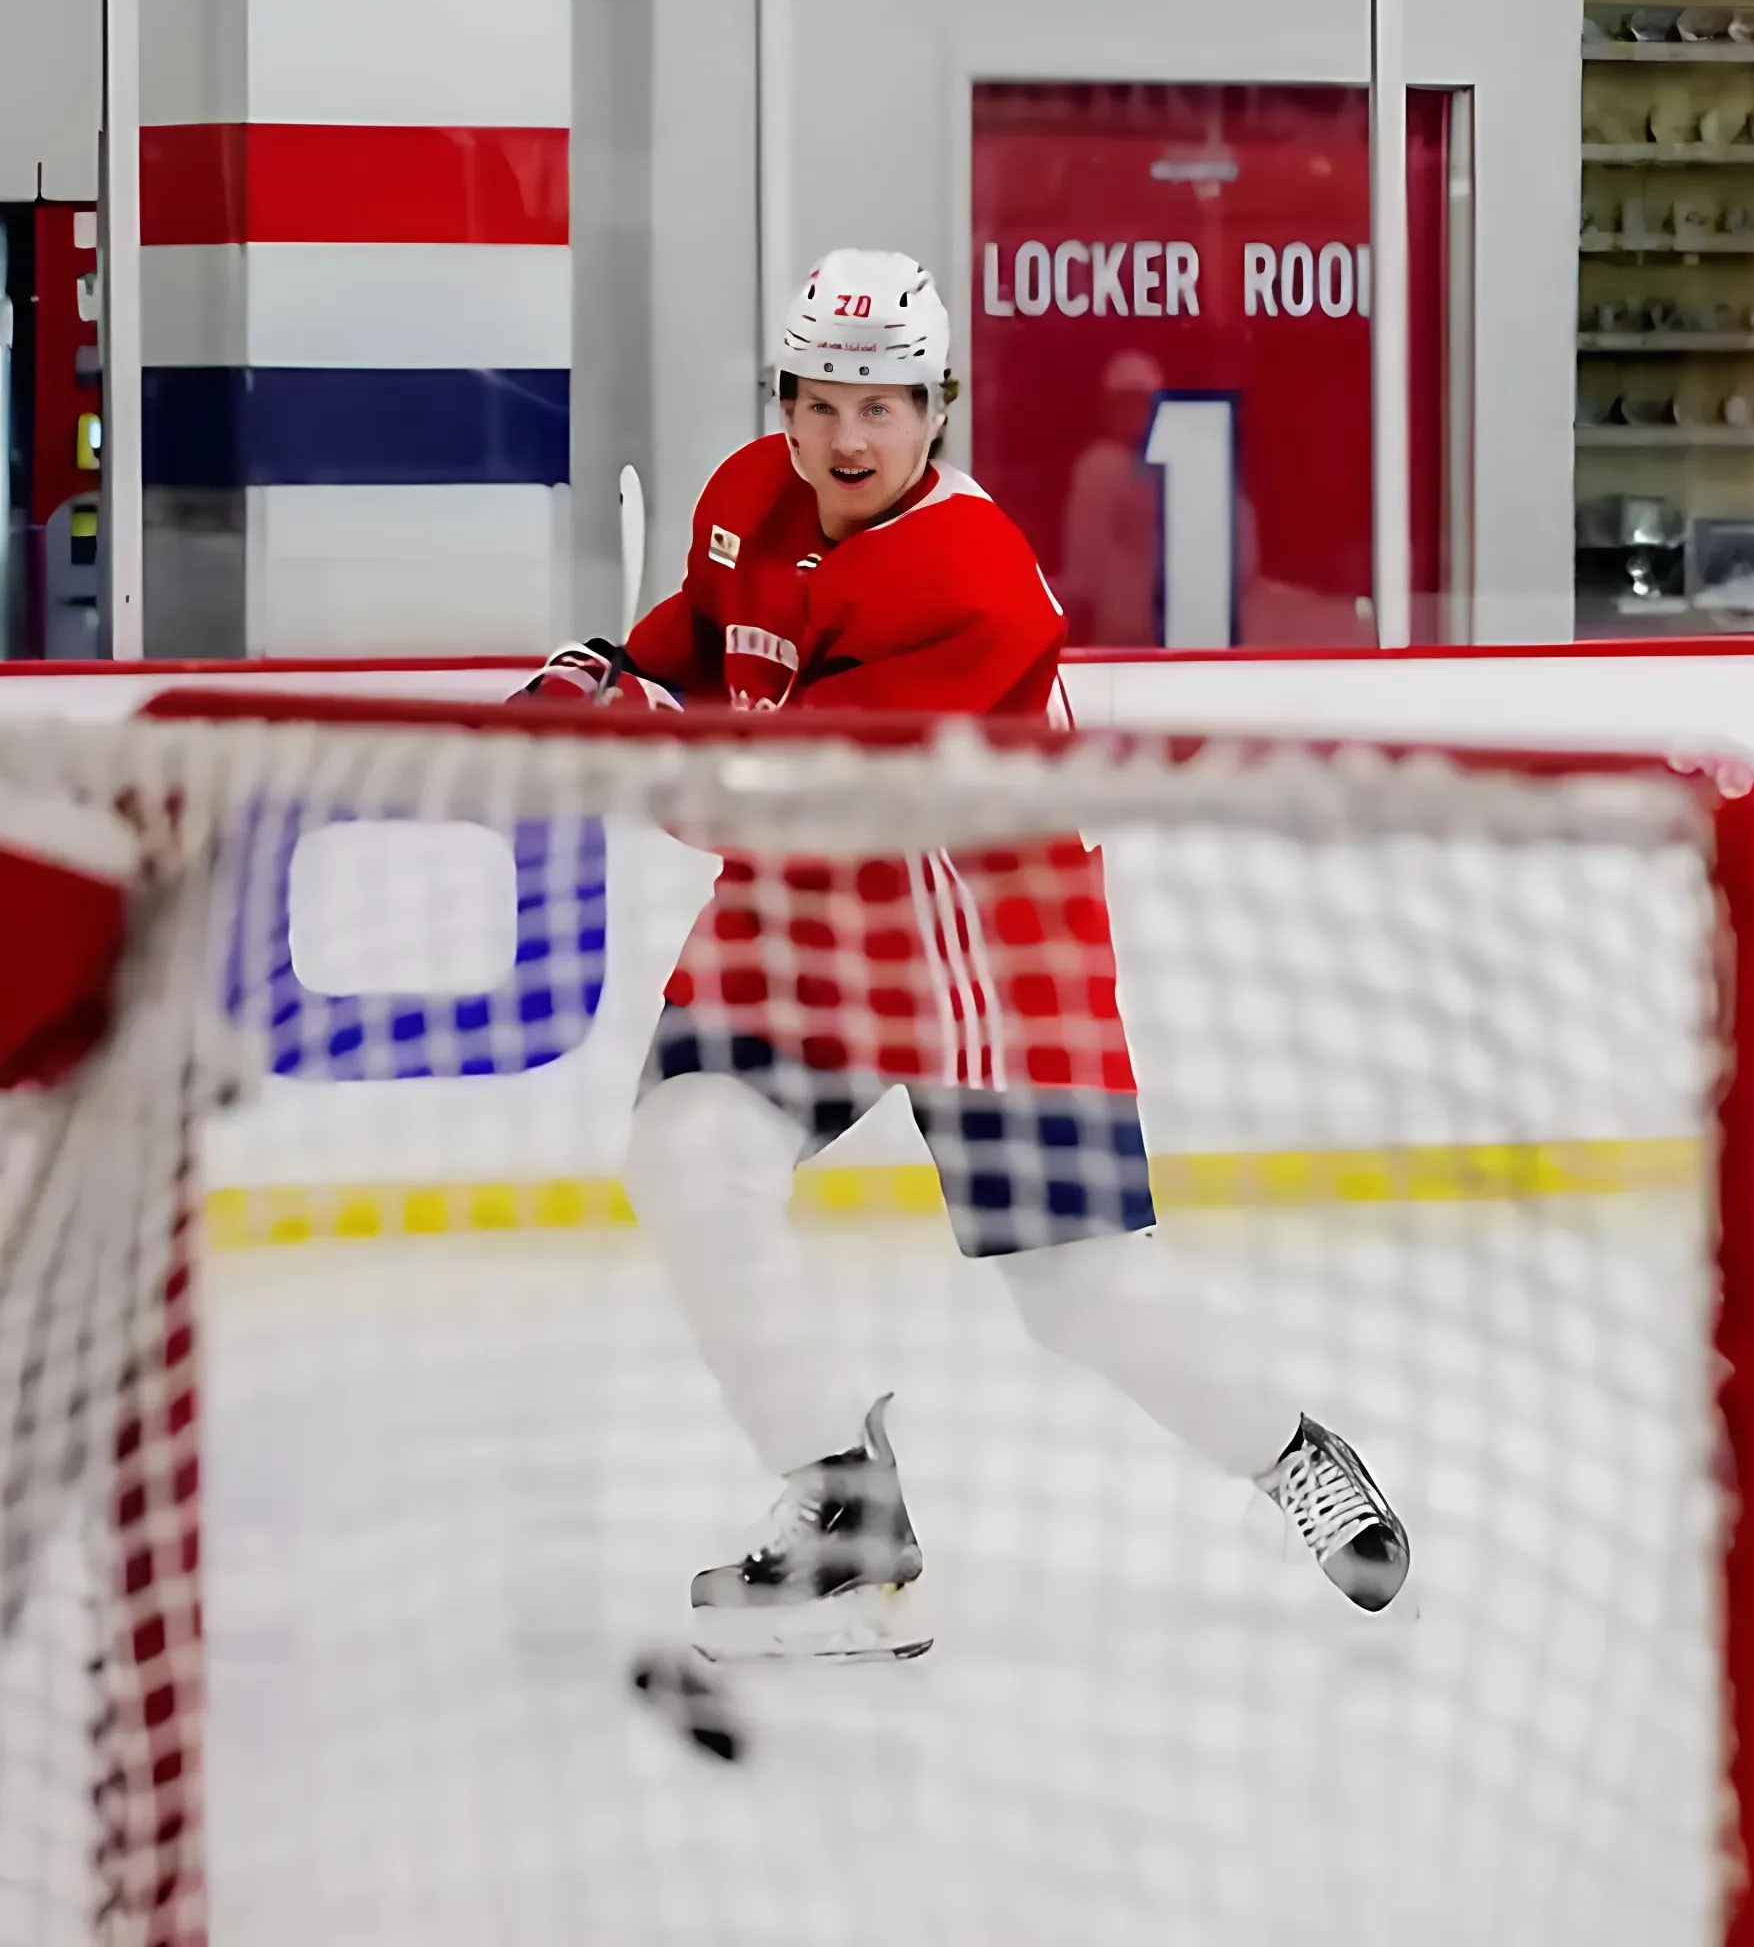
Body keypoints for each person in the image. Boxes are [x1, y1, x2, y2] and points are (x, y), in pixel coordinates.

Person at [516, 248, 1410, 1662]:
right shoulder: (749, 491)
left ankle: (1289, 1448)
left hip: (984, 934)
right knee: (691, 1152)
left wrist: (621, 759)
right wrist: (618, 667)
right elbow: (712, 625)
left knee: (1077, 1288)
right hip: (807, 916)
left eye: (884, 405)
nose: (848, 436)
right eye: (821, 401)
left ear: (938, 410)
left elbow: (790, 789)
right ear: (788, 401)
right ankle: (846, 1510)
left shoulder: (971, 577)